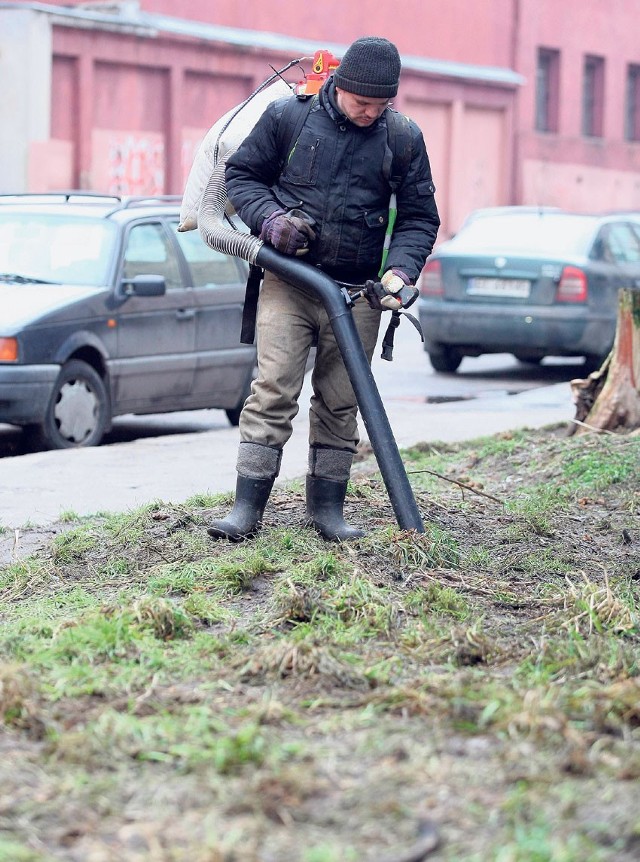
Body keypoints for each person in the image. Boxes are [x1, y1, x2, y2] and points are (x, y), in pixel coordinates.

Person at [208, 36, 440, 543]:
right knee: (272, 391)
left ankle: (327, 512)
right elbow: (241, 177)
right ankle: (247, 509)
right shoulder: (288, 118)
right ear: (340, 87)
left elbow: (420, 219)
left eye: (381, 105)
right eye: (362, 103)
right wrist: (271, 222)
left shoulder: (401, 138)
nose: (369, 113)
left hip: (359, 295)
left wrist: (400, 273)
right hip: (290, 283)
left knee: (340, 402)